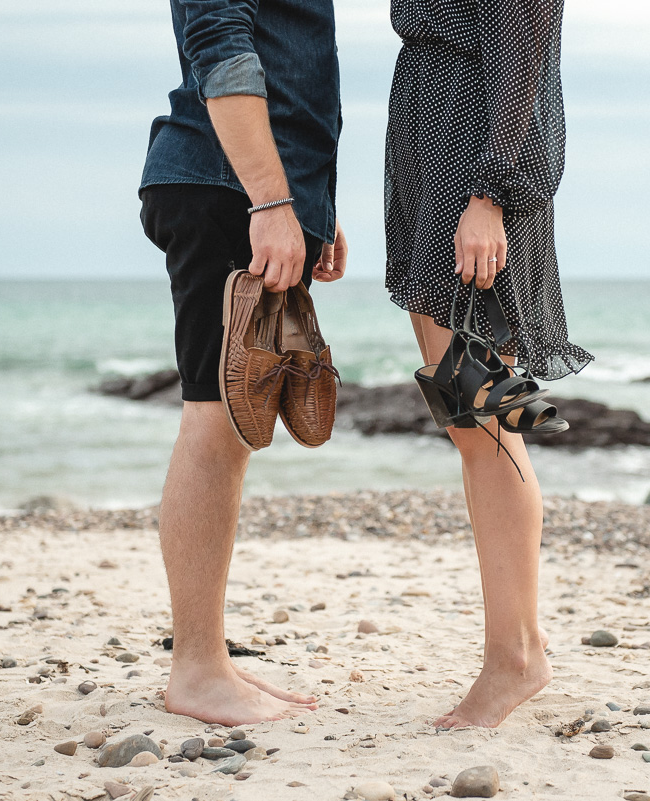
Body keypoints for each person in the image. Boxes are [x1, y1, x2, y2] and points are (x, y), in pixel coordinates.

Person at [384, 0, 593, 727]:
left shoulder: (485, 179)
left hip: (473, 160)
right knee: (469, 416)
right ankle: (517, 645)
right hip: (432, 136)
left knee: (486, 418)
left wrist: (489, 192)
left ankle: (516, 656)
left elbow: (525, 34)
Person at [137, 0, 346, 726]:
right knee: (215, 419)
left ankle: (208, 660)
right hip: (224, 186)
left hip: (247, 190)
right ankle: (195, 668)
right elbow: (220, 45)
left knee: (226, 424)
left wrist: (311, 203)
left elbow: (290, 64)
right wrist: (273, 200)